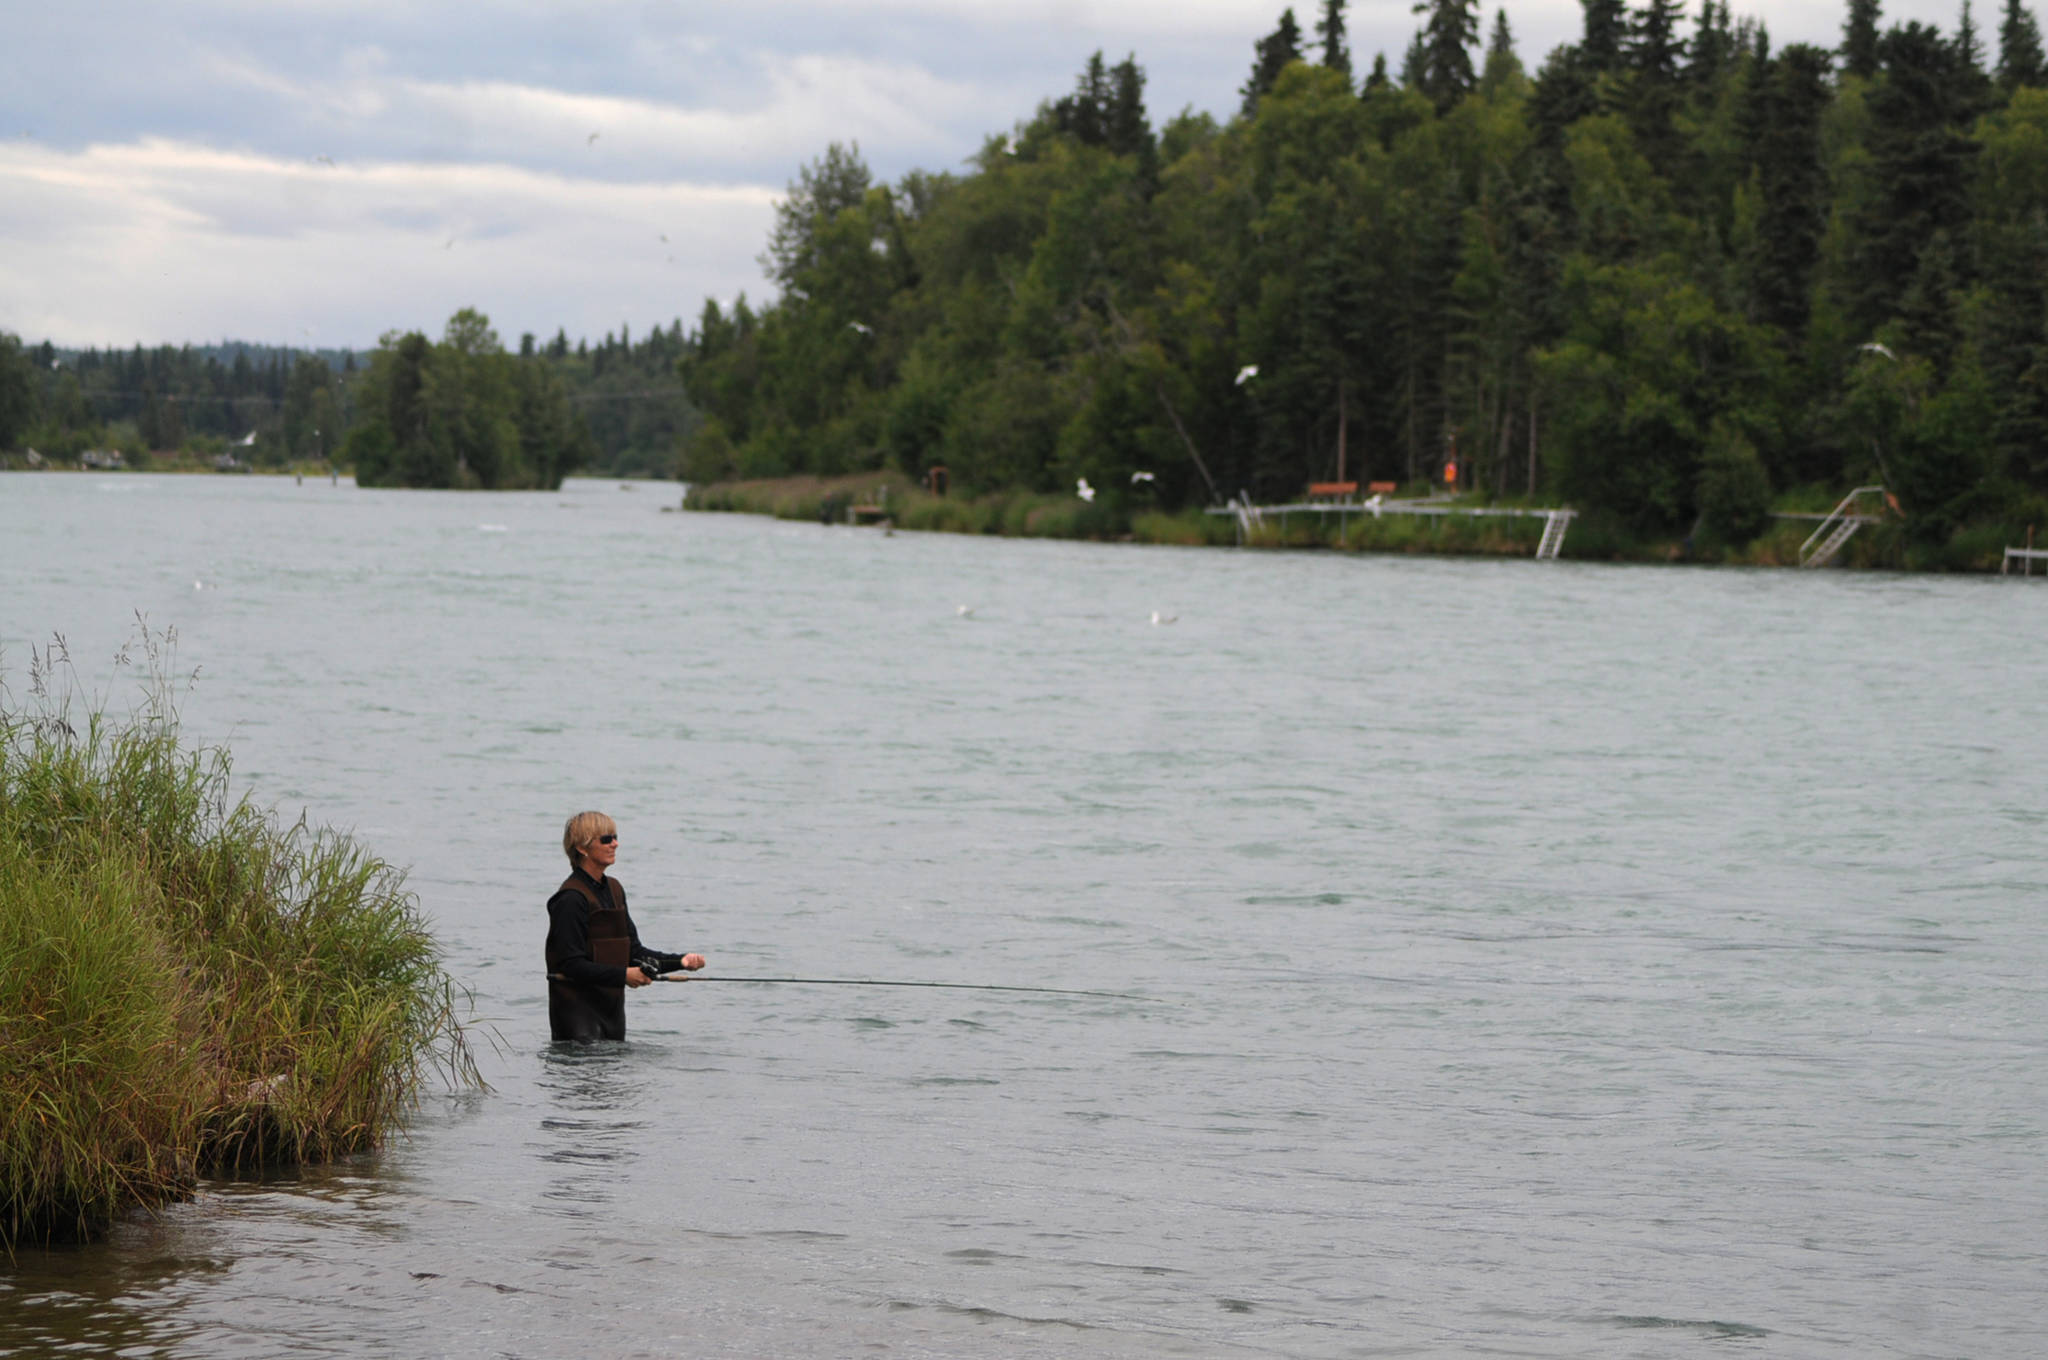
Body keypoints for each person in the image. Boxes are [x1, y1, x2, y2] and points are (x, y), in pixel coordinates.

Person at [545, 811, 705, 1041]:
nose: (615, 844)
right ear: (582, 848)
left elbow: (634, 954)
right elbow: (571, 964)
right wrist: (623, 975)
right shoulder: (570, 899)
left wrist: (680, 962)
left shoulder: (615, 890)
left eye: (615, 837)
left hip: (612, 1016)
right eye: (606, 839)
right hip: (576, 1019)